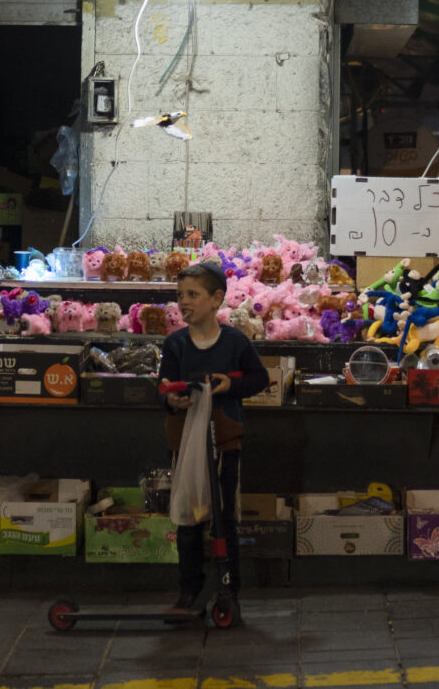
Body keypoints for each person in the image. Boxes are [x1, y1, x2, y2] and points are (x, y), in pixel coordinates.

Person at [159, 263, 269, 614]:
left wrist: (231, 385)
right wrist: (170, 399)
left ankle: (227, 588)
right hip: (185, 443)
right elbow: (162, 388)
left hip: (224, 443)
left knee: (224, 517)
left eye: (193, 294)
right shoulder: (175, 344)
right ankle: (188, 590)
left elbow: (259, 379)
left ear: (216, 299)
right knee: (188, 520)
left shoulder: (235, 341)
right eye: (180, 296)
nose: (184, 302)